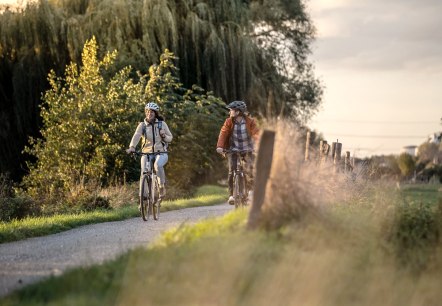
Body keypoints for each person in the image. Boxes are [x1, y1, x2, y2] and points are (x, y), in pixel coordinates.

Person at [216, 100, 260, 204]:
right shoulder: (228, 122)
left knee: (249, 170)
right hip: (233, 149)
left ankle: (250, 192)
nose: (229, 112)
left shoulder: (250, 122)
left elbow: (256, 134)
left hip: (248, 149)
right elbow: (223, 133)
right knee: (232, 171)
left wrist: (258, 145)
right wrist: (220, 146)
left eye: (231, 110)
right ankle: (231, 195)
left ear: (238, 112)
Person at [126, 102, 173, 200]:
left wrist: (163, 135)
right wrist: (132, 147)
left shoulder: (162, 124)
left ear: (155, 113)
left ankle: (161, 186)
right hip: (146, 153)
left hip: (161, 152)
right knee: (144, 172)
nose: (149, 113)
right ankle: (143, 196)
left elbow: (170, 138)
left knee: (157, 165)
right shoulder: (142, 125)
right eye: (147, 111)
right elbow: (136, 136)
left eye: (151, 112)